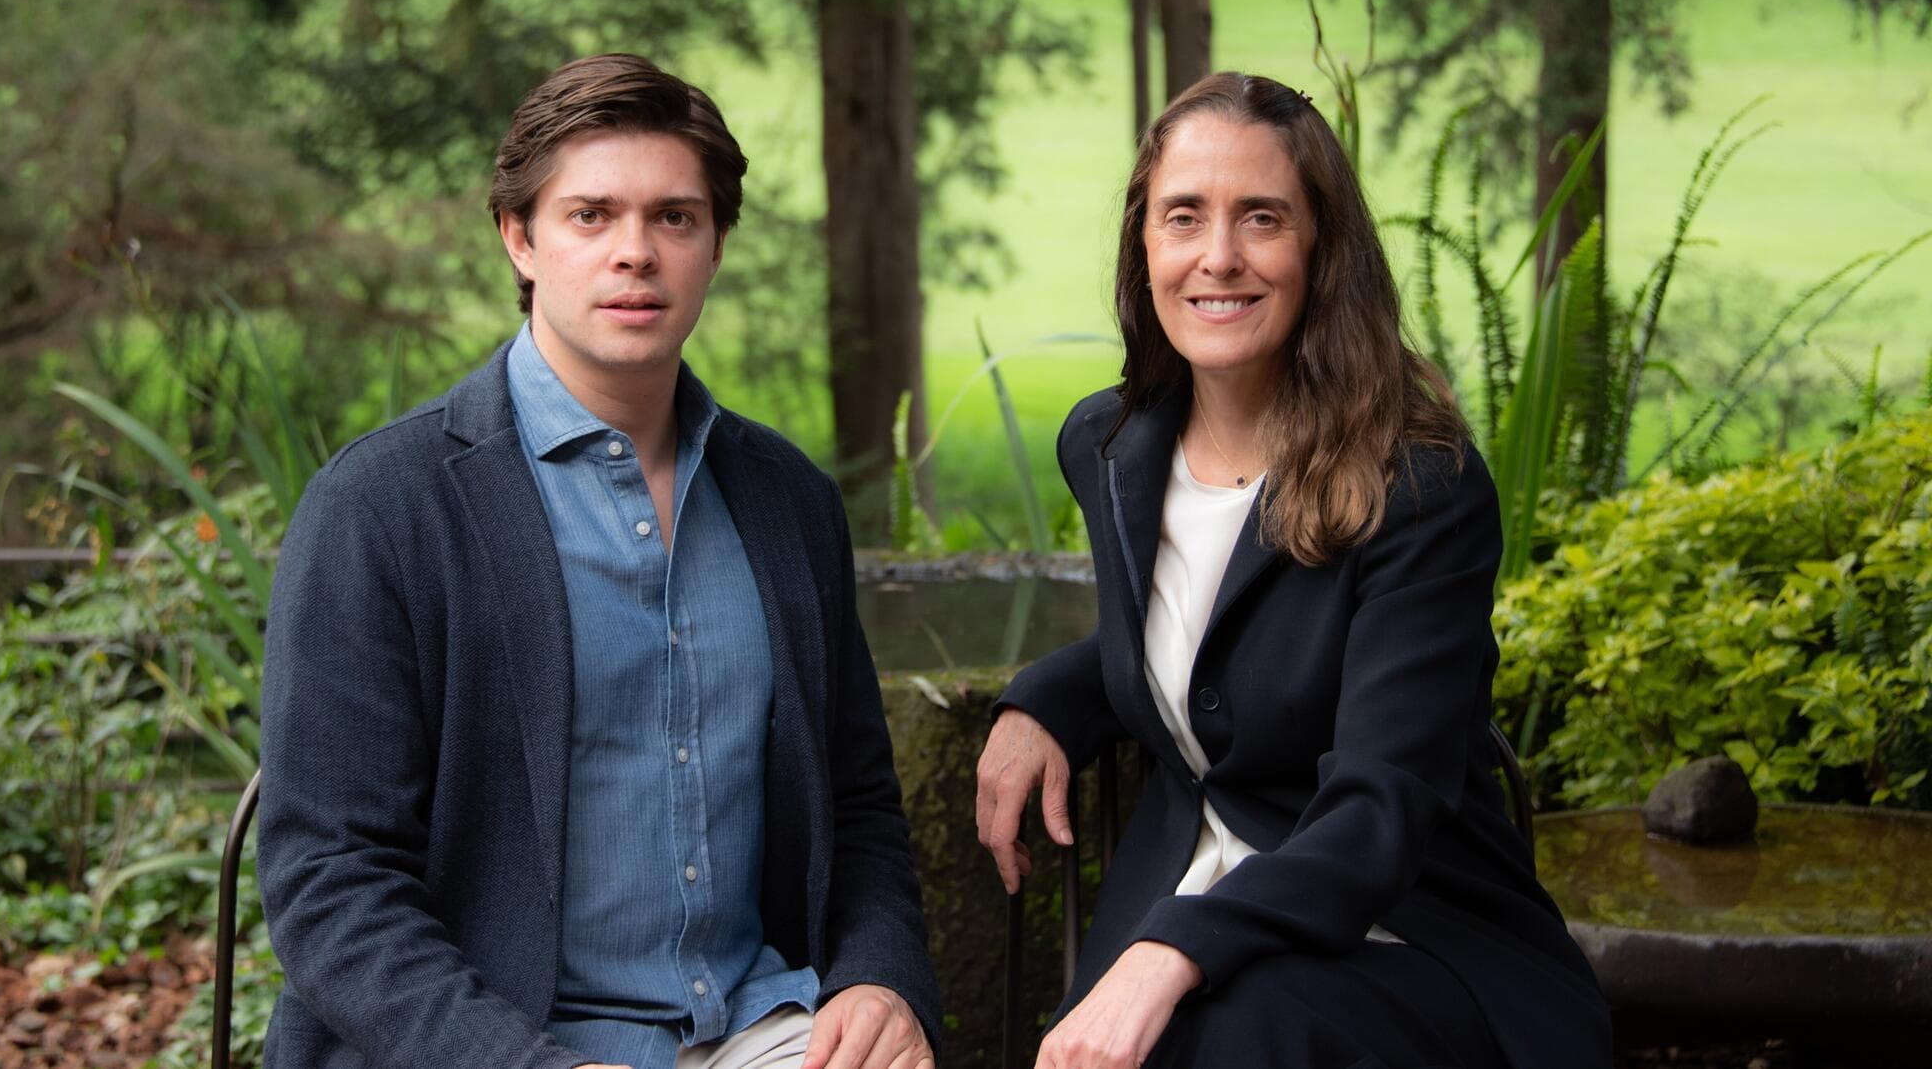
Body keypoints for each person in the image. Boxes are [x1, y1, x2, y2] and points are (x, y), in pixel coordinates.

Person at [258, 54, 939, 1069]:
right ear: (518, 238)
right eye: (590, 216)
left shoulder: (786, 502)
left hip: (760, 1028)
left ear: (713, 246)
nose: (636, 252)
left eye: (674, 217)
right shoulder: (382, 509)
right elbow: (329, 879)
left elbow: (856, 806)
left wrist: (882, 977)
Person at [974, 74, 1611, 1069]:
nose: (1216, 256)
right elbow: (1207, 636)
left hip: (1401, 931)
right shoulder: (1108, 446)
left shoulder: (1416, 484)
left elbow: (1381, 800)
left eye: (1259, 218)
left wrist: (1172, 947)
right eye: (1183, 216)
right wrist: (1044, 699)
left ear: (1320, 249)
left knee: (1224, 1037)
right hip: (1185, 898)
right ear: (1144, 245)